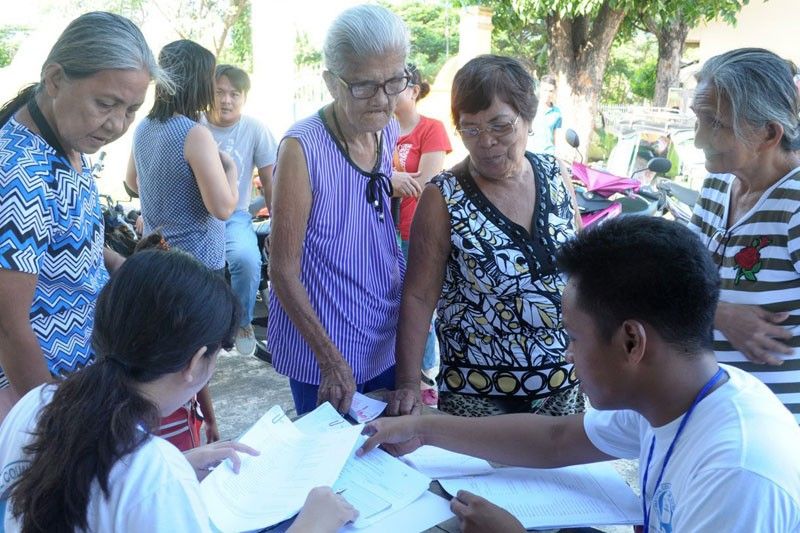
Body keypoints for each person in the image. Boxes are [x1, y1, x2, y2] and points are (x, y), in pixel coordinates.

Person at [361, 216, 800, 533]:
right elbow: (556, 440)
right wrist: (422, 428)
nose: (568, 355)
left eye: (574, 337)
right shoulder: (674, 396)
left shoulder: (738, 477)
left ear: (632, 342)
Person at [0, 250, 357, 532]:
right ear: (196, 361)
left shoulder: (36, 403)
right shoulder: (154, 473)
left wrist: (181, 468)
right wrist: (311, 525)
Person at [388, 55, 582, 418]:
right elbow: (418, 295)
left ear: (527, 117)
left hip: (562, 388)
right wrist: (409, 383)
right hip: (478, 396)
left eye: (501, 126)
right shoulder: (443, 196)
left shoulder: (557, 175)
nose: (487, 142)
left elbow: (584, 272)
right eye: (471, 129)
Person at [0, 12, 165, 422]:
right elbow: (7, 327)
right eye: (105, 104)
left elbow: (59, 235)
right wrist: (56, 427)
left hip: (81, 373)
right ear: (55, 80)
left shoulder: (67, 144)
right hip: (38, 394)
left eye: (131, 110)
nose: (116, 125)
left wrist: (118, 264)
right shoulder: (19, 172)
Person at [269, 4, 409, 416]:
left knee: (387, 462)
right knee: (331, 471)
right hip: (325, 347)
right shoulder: (302, 148)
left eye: (395, 82)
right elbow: (283, 271)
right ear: (331, 82)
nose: (383, 100)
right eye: (364, 86)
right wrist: (330, 359)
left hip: (382, 332)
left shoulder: (388, 128)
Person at [126, 39, 238, 446]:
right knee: (196, 356)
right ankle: (198, 427)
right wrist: (230, 170)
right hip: (197, 266)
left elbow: (131, 182)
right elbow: (223, 207)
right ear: (199, 82)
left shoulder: (143, 128)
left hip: (156, 260)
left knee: (171, 356)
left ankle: (180, 427)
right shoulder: (194, 134)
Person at [688, 48, 800, 423]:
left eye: (715, 123)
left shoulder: (795, 205)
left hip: (778, 432)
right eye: (698, 119)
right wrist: (720, 313)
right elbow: (678, 275)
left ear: (769, 133)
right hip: (714, 415)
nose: (699, 138)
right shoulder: (718, 185)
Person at [204, 64, 278, 356]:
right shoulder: (195, 125)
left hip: (236, 215)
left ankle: (243, 321)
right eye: (220, 92)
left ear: (244, 97)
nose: (226, 100)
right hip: (199, 214)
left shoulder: (255, 129)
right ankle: (202, 331)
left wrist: (277, 225)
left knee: (247, 261)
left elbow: (271, 180)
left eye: (234, 94)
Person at [391, 63, 452, 406]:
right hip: (383, 232)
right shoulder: (380, 129)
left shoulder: (431, 129)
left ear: (414, 90)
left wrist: (389, 181)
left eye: (397, 84)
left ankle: (426, 374)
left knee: (418, 303)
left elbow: (428, 182)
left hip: (417, 231)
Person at [526, 74, 561, 156]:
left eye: (551, 91)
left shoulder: (557, 113)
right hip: (530, 154)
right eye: (545, 90)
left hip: (548, 155)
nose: (548, 94)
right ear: (540, 90)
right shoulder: (530, 107)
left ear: (554, 92)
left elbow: (557, 139)